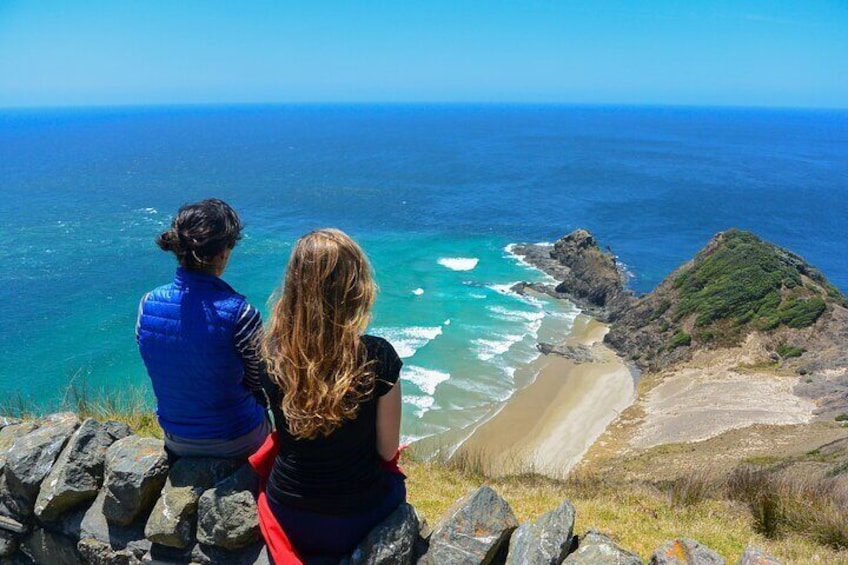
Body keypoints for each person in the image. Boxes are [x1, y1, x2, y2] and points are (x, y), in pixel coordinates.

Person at [261, 228, 404, 559]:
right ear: (356, 289)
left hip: (289, 508)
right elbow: (387, 451)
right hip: (359, 512)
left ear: (294, 286)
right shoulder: (378, 356)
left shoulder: (270, 355)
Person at [136, 198, 270, 459]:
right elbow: (259, 381)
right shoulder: (241, 314)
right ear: (223, 253)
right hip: (238, 437)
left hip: (176, 439)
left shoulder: (147, 304)